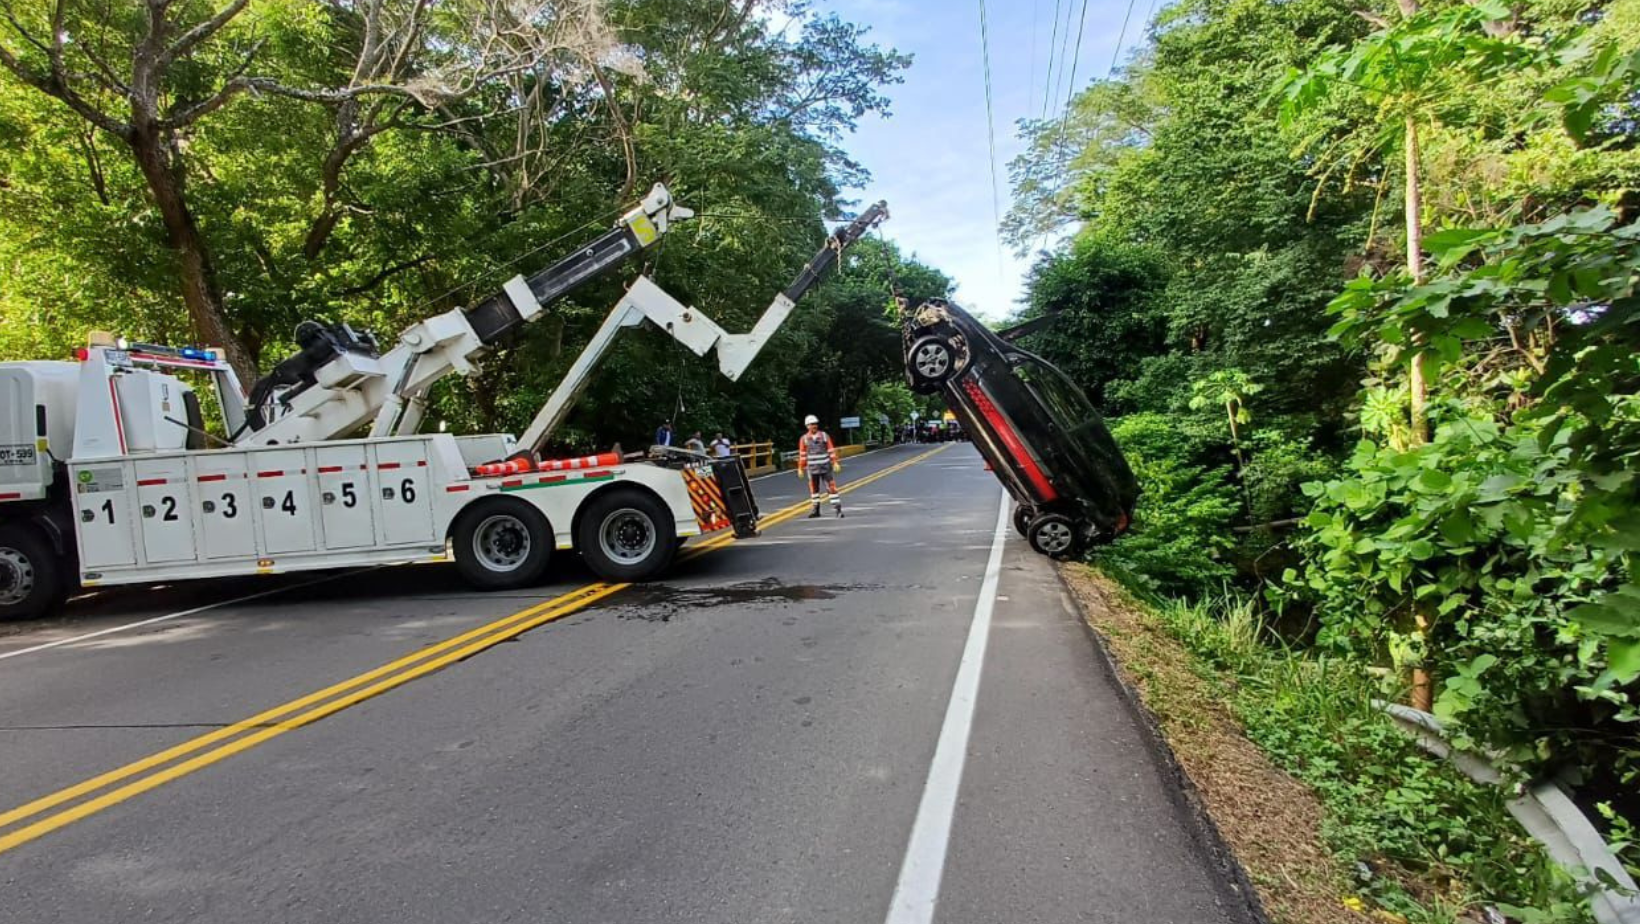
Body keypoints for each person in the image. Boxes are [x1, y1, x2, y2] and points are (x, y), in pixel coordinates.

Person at [796, 414, 842, 518]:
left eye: (815, 424)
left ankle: (838, 509)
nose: (814, 426)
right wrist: (800, 468)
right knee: (814, 489)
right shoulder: (804, 439)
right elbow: (802, 455)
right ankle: (815, 510)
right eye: (812, 424)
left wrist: (835, 462)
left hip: (825, 467)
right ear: (807, 426)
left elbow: (831, 450)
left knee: (831, 488)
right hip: (812, 469)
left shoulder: (824, 436)